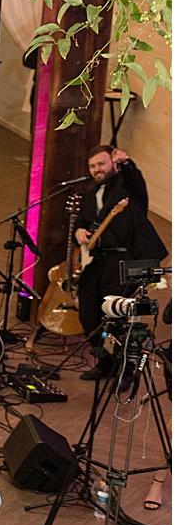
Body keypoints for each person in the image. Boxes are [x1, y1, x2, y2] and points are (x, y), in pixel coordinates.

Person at [74, 145, 168, 377]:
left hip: (125, 259)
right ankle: (104, 361)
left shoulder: (127, 188)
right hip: (97, 260)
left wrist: (126, 163)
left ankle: (126, 370)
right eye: (93, 166)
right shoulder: (88, 196)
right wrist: (79, 231)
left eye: (101, 164)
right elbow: (81, 222)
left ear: (112, 164)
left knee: (115, 316)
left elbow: (135, 179)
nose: (97, 170)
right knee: (88, 314)